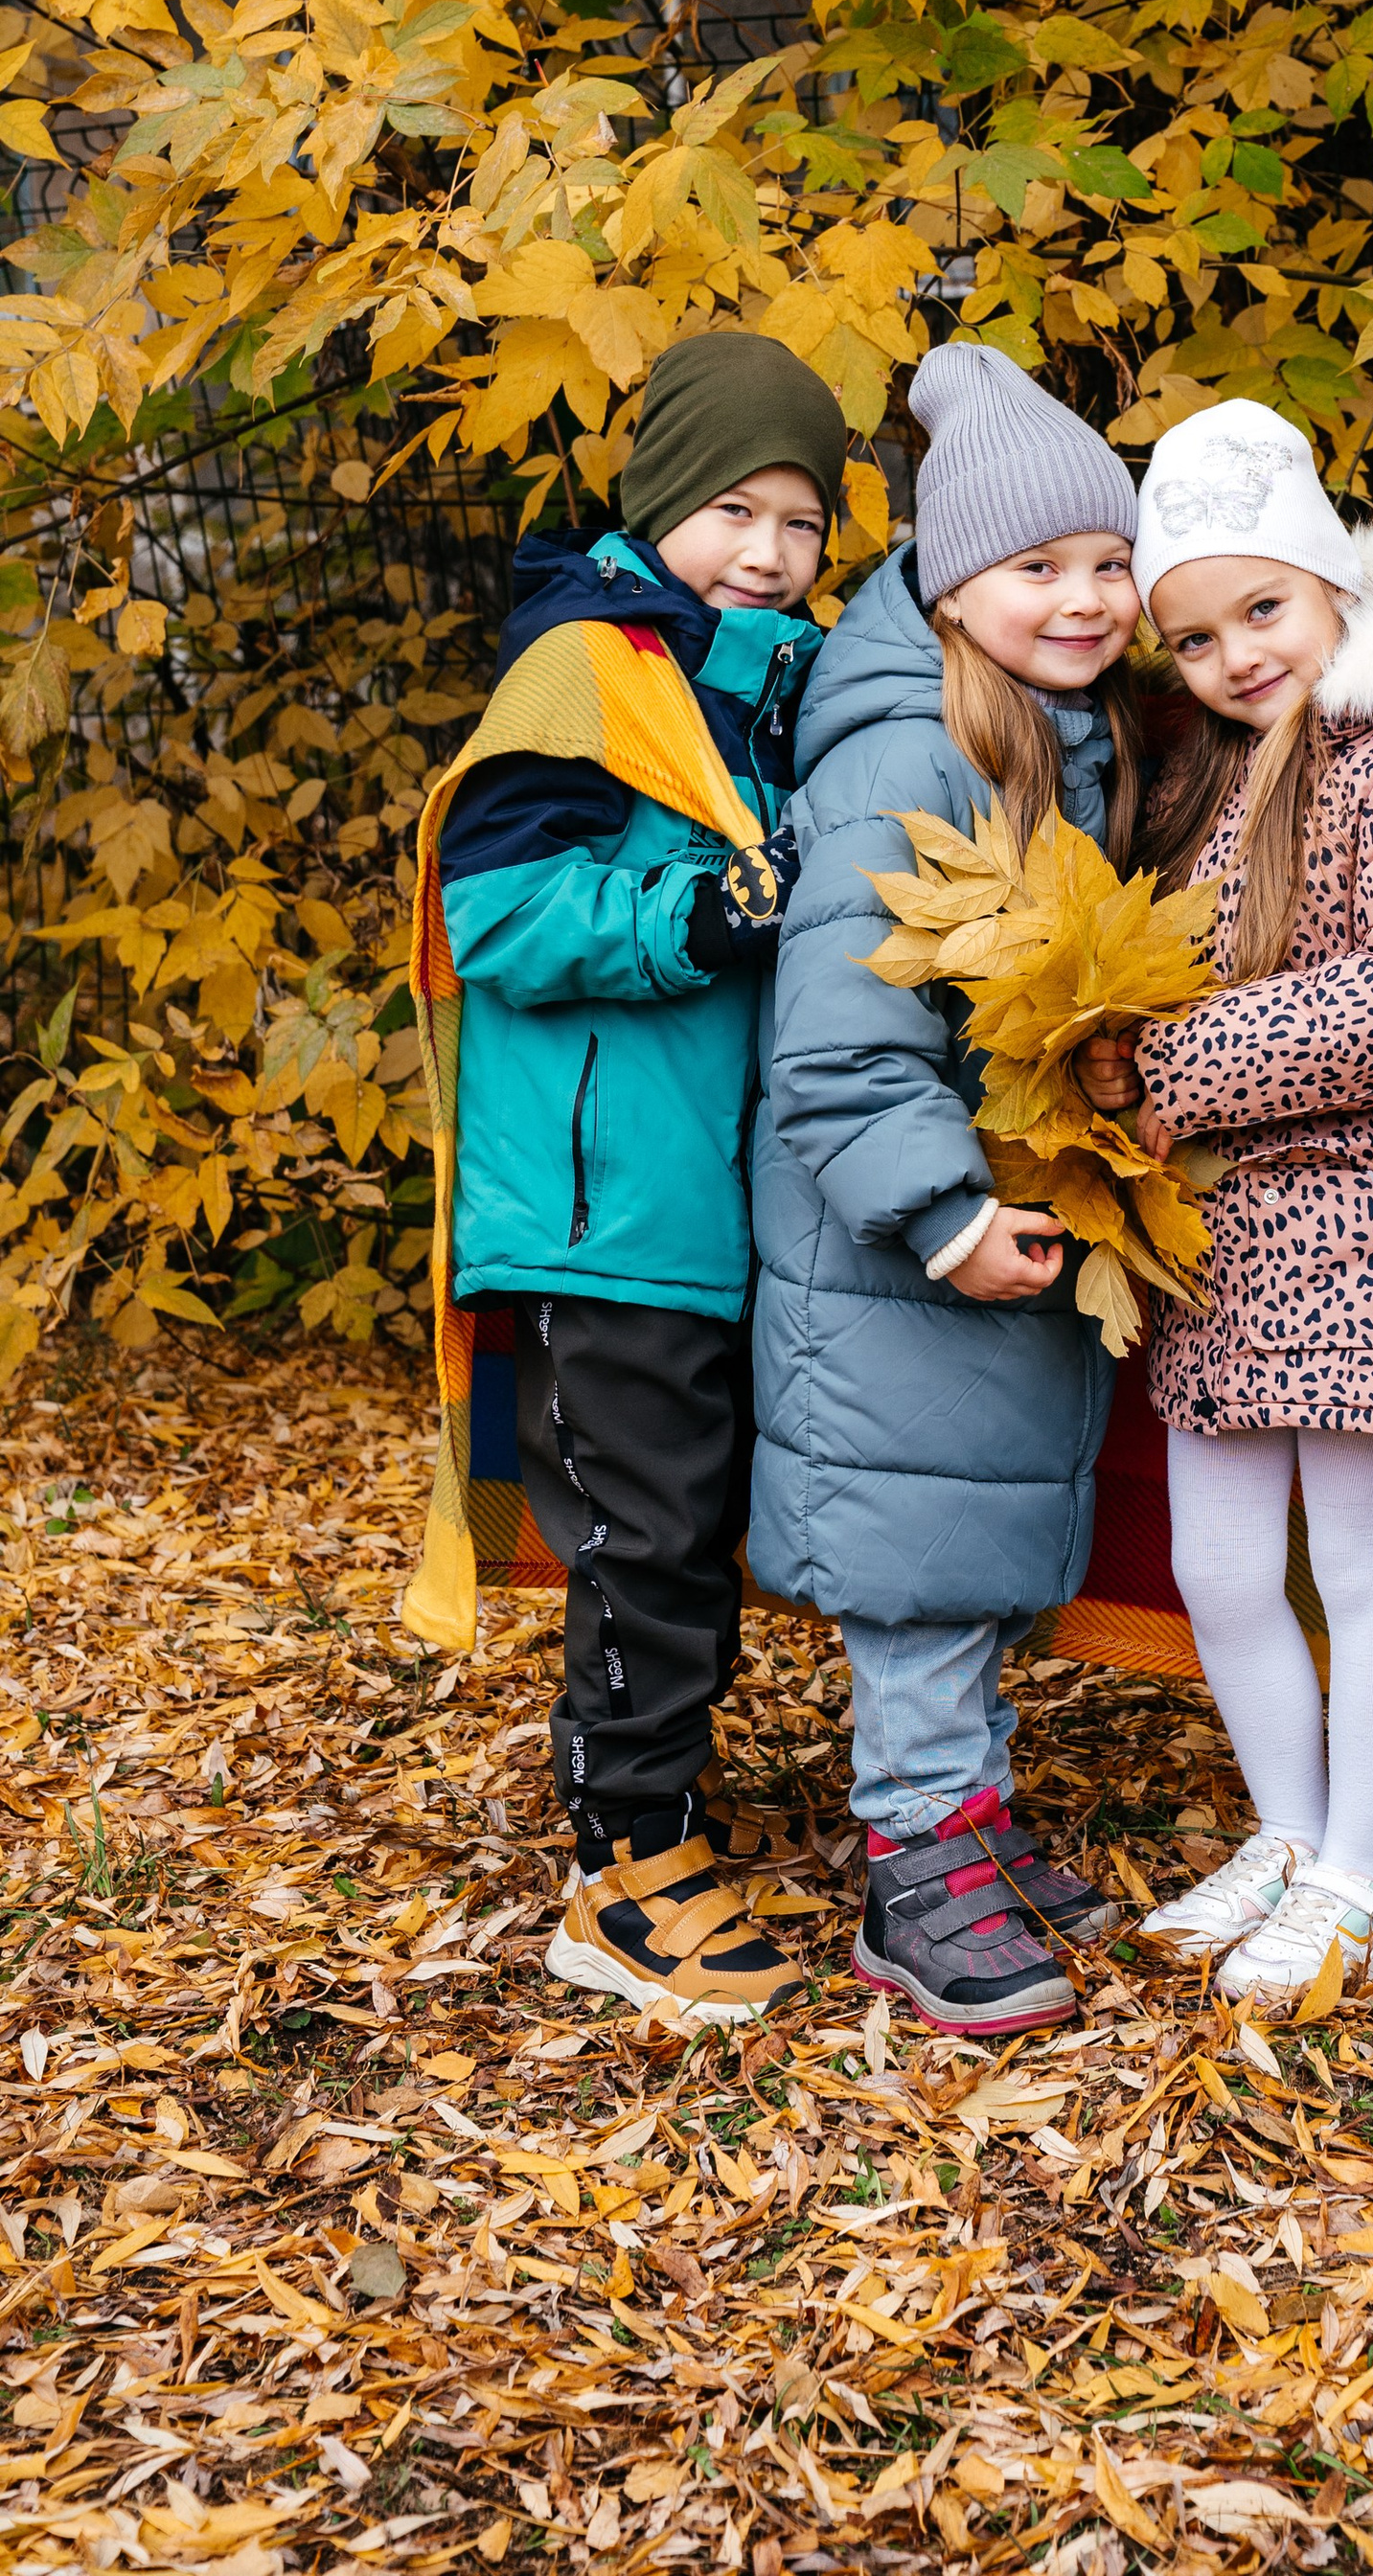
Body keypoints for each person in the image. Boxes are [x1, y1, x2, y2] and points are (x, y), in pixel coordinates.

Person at [1087, 403, 1373, 2006]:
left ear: (1330, 582)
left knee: (1354, 1561)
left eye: (1260, 609)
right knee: (1219, 1567)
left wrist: (1180, 1064)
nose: (1233, 654)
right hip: (1226, 1237)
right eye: (1196, 635)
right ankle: (1285, 1835)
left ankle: (1362, 1866)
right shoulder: (1211, 779)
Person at [423, 327, 848, 2028]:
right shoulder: (587, 677)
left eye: (803, 524)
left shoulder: (765, 682)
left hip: (707, 1184)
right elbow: (495, 915)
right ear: (660, 501)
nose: (765, 550)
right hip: (604, 1198)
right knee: (643, 1525)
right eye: (733, 510)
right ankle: (622, 1866)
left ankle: (657, 1800)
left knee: (691, 1515)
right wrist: (694, 918)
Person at [747, 341, 1144, 2037]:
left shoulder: (1057, 736)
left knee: (965, 1536)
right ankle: (913, 1861)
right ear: (947, 576)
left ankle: (967, 1809)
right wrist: (945, 1213)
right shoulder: (905, 759)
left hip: (987, 1218)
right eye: (1038, 567)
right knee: (917, 1560)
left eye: (1110, 562)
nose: (1085, 597)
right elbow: (837, 1039)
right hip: (901, 1248)